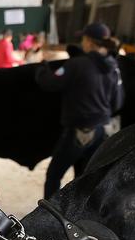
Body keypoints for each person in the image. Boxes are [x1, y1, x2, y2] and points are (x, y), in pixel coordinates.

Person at [36, 21, 124, 198]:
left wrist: (42, 68)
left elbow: (49, 83)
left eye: (84, 38)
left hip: (80, 131)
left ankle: (51, 217)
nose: (82, 42)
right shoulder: (114, 67)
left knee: (54, 174)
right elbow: (117, 103)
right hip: (103, 132)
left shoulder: (76, 64)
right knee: (86, 176)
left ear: (90, 42)